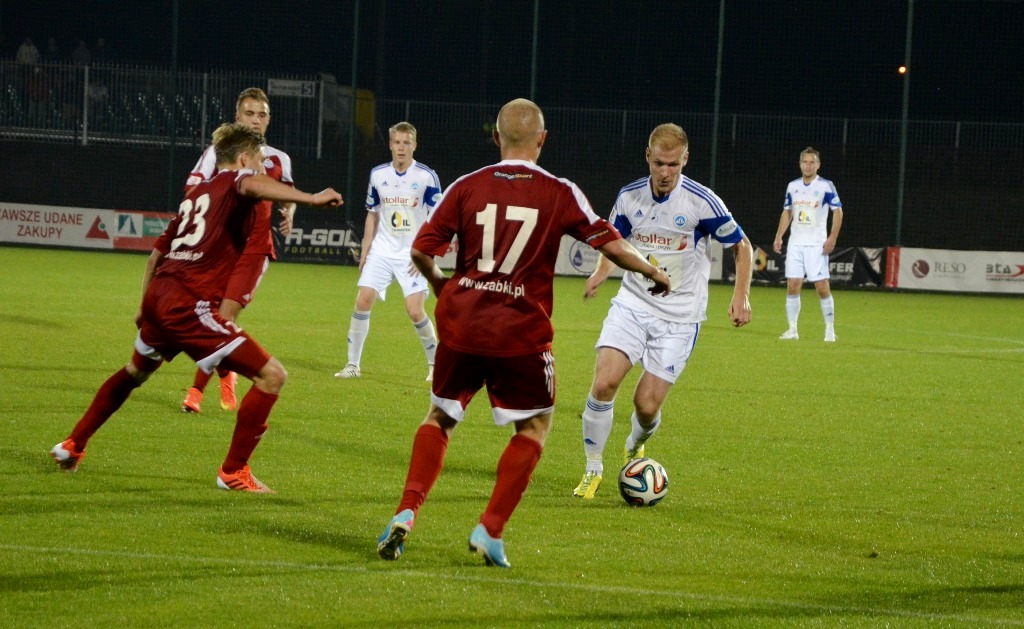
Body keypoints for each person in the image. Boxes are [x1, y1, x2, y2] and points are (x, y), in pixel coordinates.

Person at [375, 98, 671, 568]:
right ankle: (489, 529)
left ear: (496, 137)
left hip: (462, 324)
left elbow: (421, 250)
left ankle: (406, 512)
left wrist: (441, 286)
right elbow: (610, 243)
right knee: (534, 426)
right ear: (542, 139)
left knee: (440, 418)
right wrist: (651, 271)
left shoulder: (466, 185)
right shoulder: (559, 191)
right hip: (520, 333)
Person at [49, 123, 343, 492]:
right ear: (243, 159)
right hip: (189, 304)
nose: (262, 169)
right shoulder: (236, 180)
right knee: (272, 376)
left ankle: (73, 444)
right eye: (258, 161)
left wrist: (144, 306)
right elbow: (251, 185)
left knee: (135, 372)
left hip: (161, 296)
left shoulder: (197, 194)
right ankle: (234, 472)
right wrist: (312, 198)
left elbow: (155, 255)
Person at [573, 123, 753, 500]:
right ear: (648, 157)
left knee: (646, 406)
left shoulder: (701, 202)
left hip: (680, 318)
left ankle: (635, 443)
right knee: (604, 383)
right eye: (659, 164)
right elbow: (614, 242)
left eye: (673, 164)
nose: (666, 172)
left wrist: (742, 295)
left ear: (685, 159)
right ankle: (592, 469)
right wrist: (601, 273)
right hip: (633, 304)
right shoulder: (629, 196)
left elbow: (742, 246)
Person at [180, 87, 297, 413]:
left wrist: (289, 212)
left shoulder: (279, 159)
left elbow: (288, 194)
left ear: (268, 119)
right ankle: (226, 372)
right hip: (218, 250)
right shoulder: (217, 153)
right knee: (210, 320)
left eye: (261, 115)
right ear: (237, 117)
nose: (256, 120)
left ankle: (196, 391)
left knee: (224, 316)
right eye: (249, 113)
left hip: (255, 250)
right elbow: (192, 188)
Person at [334, 121, 442, 381]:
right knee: (363, 300)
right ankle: (352, 365)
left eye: (406, 143)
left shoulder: (426, 177)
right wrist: (366, 250)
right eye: (397, 142)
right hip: (382, 250)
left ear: (414, 145)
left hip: (412, 254)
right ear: (390, 145)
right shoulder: (378, 174)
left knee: (415, 310)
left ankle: (436, 366)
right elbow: (372, 214)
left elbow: (437, 219)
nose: (401, 147)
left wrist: (425, 254)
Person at [772, 146, 843, 342]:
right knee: (793, 285)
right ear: (800, 164)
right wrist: (779, 236)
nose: (808, 165)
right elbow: (788, 212)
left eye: (812, 162)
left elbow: (838, 212)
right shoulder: (792, 186)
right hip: (795, 244)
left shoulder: (826, 186)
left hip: (816, 245)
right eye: (805, 162)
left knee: (822, 287)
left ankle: (830, 330)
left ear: (818, 165)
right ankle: (792, 329)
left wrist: (832, 237)